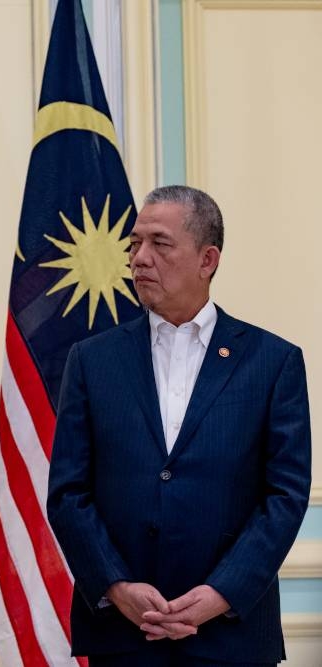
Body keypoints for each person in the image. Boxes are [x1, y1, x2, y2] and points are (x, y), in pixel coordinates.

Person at [47, 185, 311, 666]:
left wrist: (222, 593)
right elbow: (67, 492)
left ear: (207, 259)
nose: (139, 259)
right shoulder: (92, 360)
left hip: (231, 635)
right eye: (133, 244)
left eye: (159, 244)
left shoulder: (272, 362)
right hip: (125, 634)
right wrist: (116, 585)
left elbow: (285, 495)